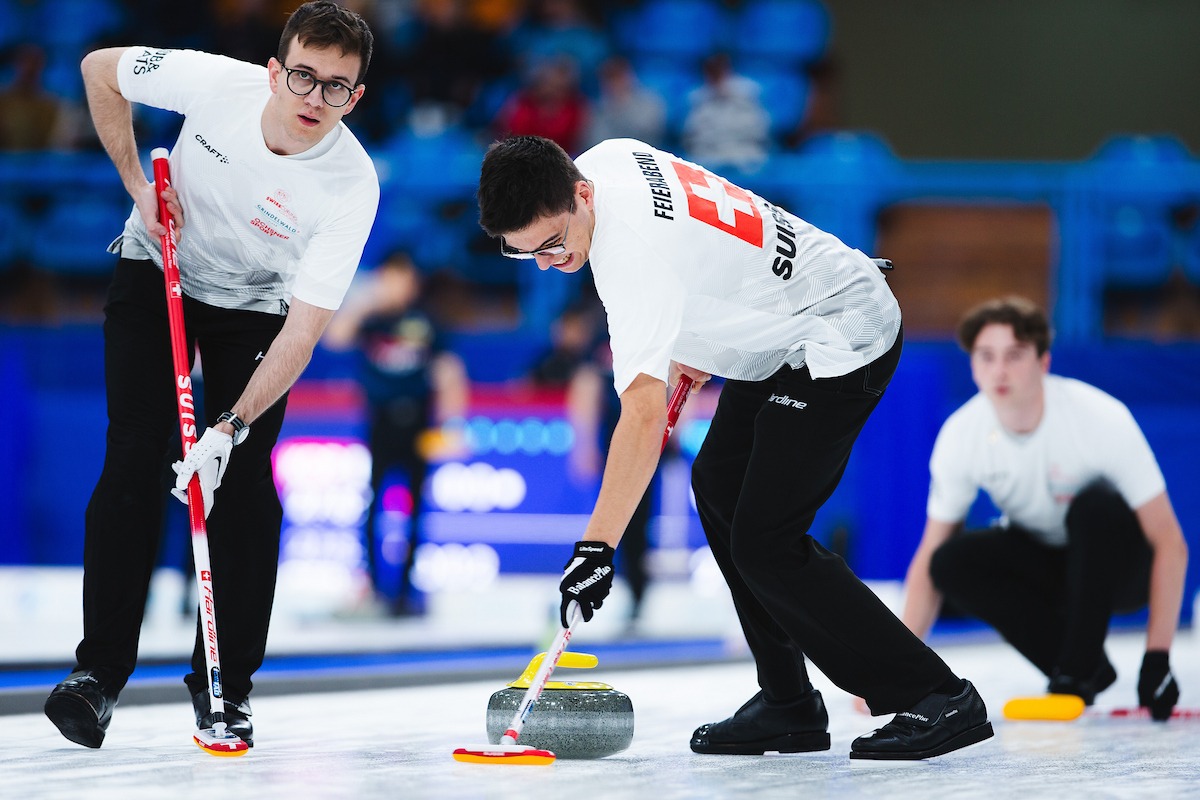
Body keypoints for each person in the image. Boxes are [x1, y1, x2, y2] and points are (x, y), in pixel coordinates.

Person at [476, 135, 994, 760]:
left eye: (554, 244)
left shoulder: (631, 257)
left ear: (581, 195)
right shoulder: (609, 157)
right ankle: (788, 703)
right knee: (718, 486)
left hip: (841, 332)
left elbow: (642, 419)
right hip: (776, 336)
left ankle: (938, 695)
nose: (547, 264)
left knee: (766, 540)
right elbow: (706, 243)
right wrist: (696, 338)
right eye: (524, 252)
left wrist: (596, 550)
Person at [44, 1, 379, 749]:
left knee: (245, 486)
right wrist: (137, 185)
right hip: (159, 260)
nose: (314, 98)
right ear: (274, 71)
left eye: (336, 87)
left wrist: (231, 427)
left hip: (258, 305)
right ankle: (97, 675)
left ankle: (224, 687)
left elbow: (304, 332)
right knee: (135, 455)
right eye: (303, 76)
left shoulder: (352, 184)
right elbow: (100, 71)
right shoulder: (219, 84)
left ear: (355, 97)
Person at [900, 297, 1188, 719]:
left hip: (1120, 571)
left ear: (1044, 361)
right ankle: (1084, 667)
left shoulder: (1101, 418)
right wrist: (897, 674)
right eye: (986, 356)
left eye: (1014, 355)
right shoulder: (961, 434)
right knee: (948, 562)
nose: (999, 371)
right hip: (1049, 568)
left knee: (1094, 508)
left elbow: (1170, 542)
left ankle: (1073, 676)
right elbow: (929, 554)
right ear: (973, 365)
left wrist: (1157, 660)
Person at [323, 253, 469, 615]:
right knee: (373, 506)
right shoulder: (371, 320)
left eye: (404, 279)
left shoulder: (426, 321)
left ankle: (406, 592)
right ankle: (373, 587)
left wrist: (452, 425)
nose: (398, 287)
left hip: (419, 425)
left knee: (415, 509)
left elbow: (450, 371)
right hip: (380, 423)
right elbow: (335, 339)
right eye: (391, 278)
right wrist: (365, 300)